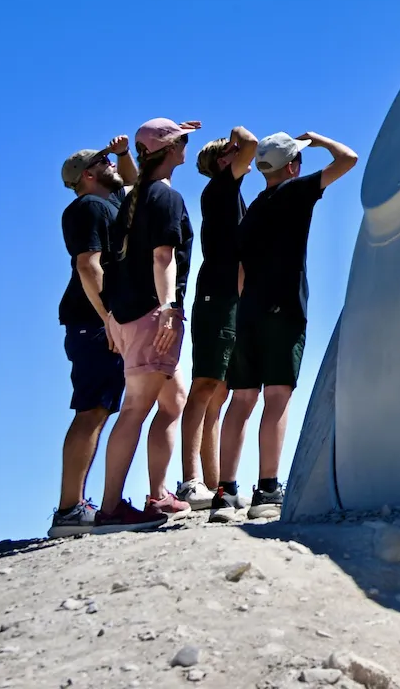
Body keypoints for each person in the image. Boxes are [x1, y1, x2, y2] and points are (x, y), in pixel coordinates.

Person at [218, 130, 357, 521]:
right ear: (293, 166)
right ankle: (266, 490)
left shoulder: (252, 211)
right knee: (277, 397)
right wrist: (319, 140)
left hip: (248, 312)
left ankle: (225, 494)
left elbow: (241, 272)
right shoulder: (295, 192)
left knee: (241, 400)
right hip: (284, 310)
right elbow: (348, 159)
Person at [93, 116, 202, 531]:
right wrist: (169, 308)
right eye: (182, 142)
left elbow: (115, 264)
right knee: (136, 408)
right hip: (152, 316)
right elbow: (163, 257)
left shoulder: (134, 198)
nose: (187, 148)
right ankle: (110, 510)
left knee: (173, 400)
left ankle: (158, 496)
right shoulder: (165, 197)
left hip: (128, 316)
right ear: (171, 151)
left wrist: (111, 317)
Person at [50, 136, 136, 536]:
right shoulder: (89, 207)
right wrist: (110, 319)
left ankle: (76, 507)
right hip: (95, 323)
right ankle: (70, 510)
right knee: (91, 410)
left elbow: (134, 184)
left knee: (98, 409)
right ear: (87, 175)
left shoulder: (108, 203)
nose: (111, 163)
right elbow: (88, 265)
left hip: (99, 322)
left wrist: (124, 154)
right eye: (103, 161)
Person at [173, 125, 257, 511]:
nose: (241, 154)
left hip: (232, 300)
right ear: (223, 161)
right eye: (232, 151)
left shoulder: (229, 192)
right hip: (217, 298)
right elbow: (251, 143)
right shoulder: (221, 187)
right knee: (205, 384)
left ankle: (216, 483)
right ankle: (191, 481)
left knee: (220, 392)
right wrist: (236, 136)